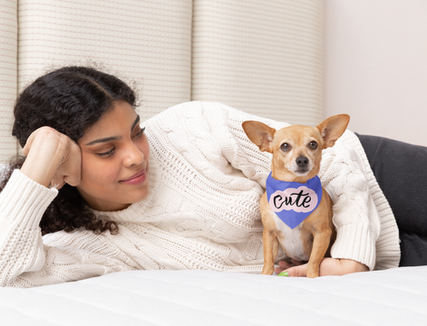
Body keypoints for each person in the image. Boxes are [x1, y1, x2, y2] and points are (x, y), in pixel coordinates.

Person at [0, 66, 404, 287]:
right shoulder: (87, 243)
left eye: (136, 131)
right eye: (107, 150)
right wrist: (35, 173)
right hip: (353, 261)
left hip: (366, 177)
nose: (135, 156)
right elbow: (6, 274)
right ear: (62, 168)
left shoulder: (190, 129)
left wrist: (352, 255)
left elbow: (331, 166)